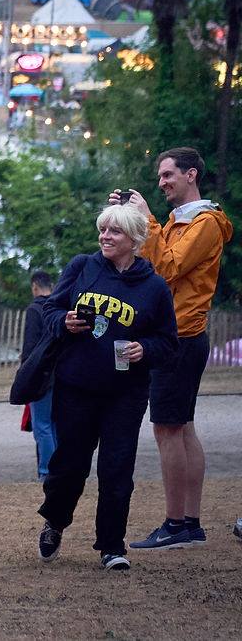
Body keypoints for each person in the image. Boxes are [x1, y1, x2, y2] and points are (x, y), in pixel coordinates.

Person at [34, 203, 178, 570]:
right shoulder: (83, 267)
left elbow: (168, 342)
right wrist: (63, 321)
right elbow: (50, 310)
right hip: (76, 385)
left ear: (134, 239)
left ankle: (112, 546)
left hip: (125, 393)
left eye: (114, 231)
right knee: (69, 466)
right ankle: (56, 521)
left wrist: (144, 348)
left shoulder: (155, 286)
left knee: (116, 470)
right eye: (103, 230)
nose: (105, 237)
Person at [121, 149, 232, 551]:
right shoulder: (180, 221)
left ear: (191, 174)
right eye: (160, 175)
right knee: (181, 426)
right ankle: (189, 522)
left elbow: (167, 268)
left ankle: (177, 523)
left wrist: (148, 220)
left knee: (168, 427)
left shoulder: (204, 224)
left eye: (168, 174)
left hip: (181, 336)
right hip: (179, 334)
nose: (163, 181)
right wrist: (137, 222)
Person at [21, 271, 57, 479]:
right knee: (55, 425)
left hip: (41, 375)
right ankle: (59, 469)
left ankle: (46, 471)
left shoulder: (35, 310)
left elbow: (30, 346)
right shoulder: (59, 307)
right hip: (59, 374)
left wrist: (24, 374)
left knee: (42, 425)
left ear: (35, 286)